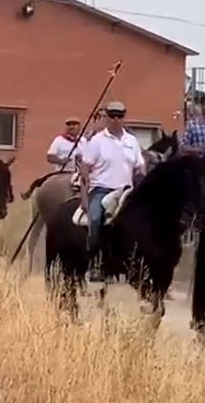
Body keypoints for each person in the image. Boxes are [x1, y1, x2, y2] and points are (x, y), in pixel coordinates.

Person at [79, 101, 145, 281]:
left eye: (120, 116)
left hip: (126, 190)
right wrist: (84, 195)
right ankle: (94, 262)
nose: (116, 119)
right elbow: (85, 168)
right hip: (102, 189)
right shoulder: (97, 141)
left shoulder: (131, 141)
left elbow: (140, 167)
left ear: (124, 117)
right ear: (106, 117)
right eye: (112, 116)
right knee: (95, 220)